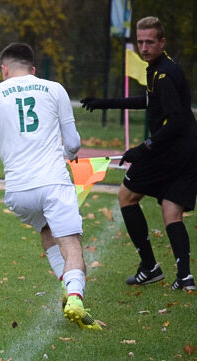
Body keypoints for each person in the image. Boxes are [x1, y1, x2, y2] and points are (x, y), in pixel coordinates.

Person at [0, 42, 101, 330]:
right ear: (33, 69)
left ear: (4, 69)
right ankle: (76, 298)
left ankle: (67, 288)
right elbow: (73, 142)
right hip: (53, 183)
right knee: (72, 244)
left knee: (47, 230)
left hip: (18, 192)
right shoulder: (54, 88)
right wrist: (70, 154)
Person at [81, 16, 196, 292]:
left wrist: (143, 149)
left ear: (162, 42)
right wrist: (105, 103)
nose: (144, 47)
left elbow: (176, 121)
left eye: (150, 42)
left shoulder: (165, 75)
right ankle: (185, 278)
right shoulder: (160, 68)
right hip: (190, 149)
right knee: (171, 210)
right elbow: (149, 101)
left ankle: (149, 267)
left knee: (126, 196)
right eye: (141, 42)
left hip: (171, 150)